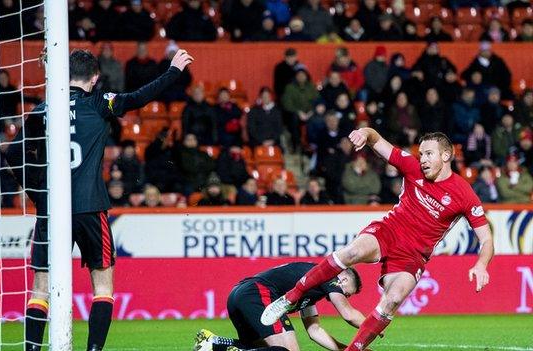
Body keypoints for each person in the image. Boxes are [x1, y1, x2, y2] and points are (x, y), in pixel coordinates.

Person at [5, 48, 193, 351]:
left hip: (52, 211)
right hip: (90, 206)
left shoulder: (44, 108)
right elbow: (138, 97)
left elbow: (14, 154)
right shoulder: (98, 102)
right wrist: (173, 71)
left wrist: (39, 195)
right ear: (94, 78)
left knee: (40, 289)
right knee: (103, 286)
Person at [261, 129, 494, 351]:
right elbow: (376, 139)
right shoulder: (411, 167)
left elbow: (486, 239)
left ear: (446, 155)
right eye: (421, 154)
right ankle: (291, 297)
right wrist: (365, 133)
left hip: (413, 255)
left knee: (393, 298)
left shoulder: (464, 194)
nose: (422, 159)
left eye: (428, 154)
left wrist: (481, 264)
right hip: (389, 231)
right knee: (351, 252)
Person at [193, 262, 365, 351]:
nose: (346, 296)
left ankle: (214, 343)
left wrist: (347, 349)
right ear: (343, 279)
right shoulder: (330, 275)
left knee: (265, 349)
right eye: (348, 292)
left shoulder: (313, 288)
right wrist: (375, 325)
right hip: (256, 293)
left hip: (239, 295)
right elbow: (348, 314)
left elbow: (314, 331)